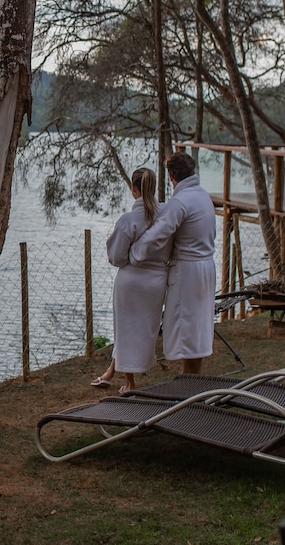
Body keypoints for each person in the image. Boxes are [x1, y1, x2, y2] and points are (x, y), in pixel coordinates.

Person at [128, 152, 216, 375]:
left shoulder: (181, 202)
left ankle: (190, 385)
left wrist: (134, 254)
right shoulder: (203, 196)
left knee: (187, 328)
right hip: (207, 268)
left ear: (170, 176)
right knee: (197, 328)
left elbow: (157, 234)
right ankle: (192, 379)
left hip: (188, 273)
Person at [92, 167, 168, 393]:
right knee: (144, 329)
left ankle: (130, 383)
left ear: (134, 189)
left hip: (131, 281)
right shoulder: (165, 216)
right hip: (156, 281)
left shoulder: (129, 220)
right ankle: (111, 371)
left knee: (125, 329)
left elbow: (116, 257)